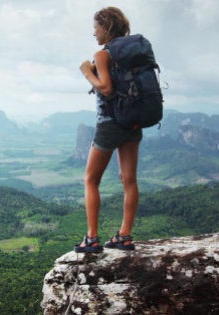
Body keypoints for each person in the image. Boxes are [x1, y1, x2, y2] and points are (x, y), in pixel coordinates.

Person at [75, 6, 140, 253]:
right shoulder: (133, 54)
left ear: (106, 27)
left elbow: (106, 88)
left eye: (96, 27)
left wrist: (86, 72)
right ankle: (124, 236)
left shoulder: (104, 54)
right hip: (133, 121)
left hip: (110, 123)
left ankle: (91, 238)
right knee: (129, 179)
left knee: (91, 179)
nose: (94, 33)